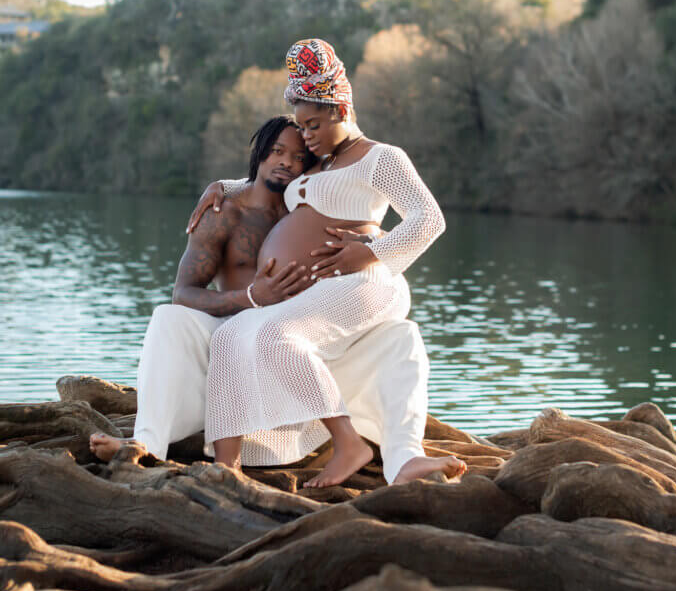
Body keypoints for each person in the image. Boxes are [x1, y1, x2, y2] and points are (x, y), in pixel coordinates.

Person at [91, 113, 462, 485]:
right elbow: (182, 294)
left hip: (301, 335)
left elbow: (352, 193)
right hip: (236, 325)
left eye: (299, 157)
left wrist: (373, 243)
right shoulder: (224, 212)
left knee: (402, 335)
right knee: (167, 317)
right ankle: (147, 444)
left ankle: (402, 456)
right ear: (260, 155)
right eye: (277, 152)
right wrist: (253, 295)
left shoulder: (304, 200)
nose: (287, 161)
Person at [204, 38, 463, 488]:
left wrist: (371, 250)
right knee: (227, 338)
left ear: (341, 110)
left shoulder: (381, 159)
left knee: (276, 339)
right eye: (301, 127)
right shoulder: (317, 165)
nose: (306, 136)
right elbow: (267, 179)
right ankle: (227, 468)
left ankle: (349, 443)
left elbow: (430, 219)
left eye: (314, 124)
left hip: (362, 282)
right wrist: (223, 187)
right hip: (314, 290)